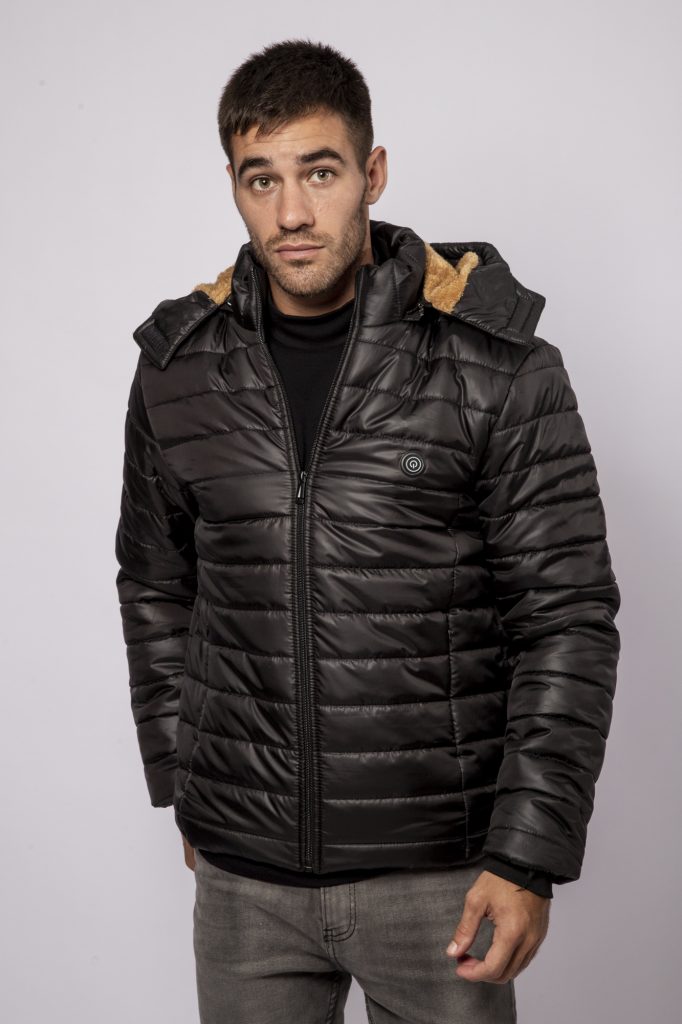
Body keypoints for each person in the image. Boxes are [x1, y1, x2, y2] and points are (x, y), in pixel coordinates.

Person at [114, 38, 621, 1024]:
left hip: (441, 880)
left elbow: (566, 620)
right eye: (261, 179)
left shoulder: (497, 366)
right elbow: (155, 583)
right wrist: (188, 778)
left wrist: (526, 855)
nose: (291, 214)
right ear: (234, 185)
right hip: (245, 883)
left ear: (372, 173)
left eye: (319, 172)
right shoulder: (179, 368)